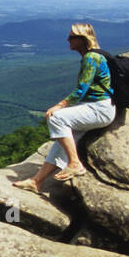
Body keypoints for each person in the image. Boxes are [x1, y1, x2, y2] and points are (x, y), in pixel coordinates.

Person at [13, 22, 115, 192]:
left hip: (99, 109)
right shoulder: (93, 56)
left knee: (56, 118)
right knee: (61, 141)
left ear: (83, 39)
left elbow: (81, 90)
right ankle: (37, 181)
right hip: (96, 107)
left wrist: (59, 105)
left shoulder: (91, 58)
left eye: (72, 37)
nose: (68, 39)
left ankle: (74, 163)